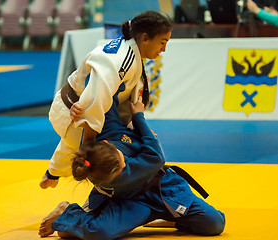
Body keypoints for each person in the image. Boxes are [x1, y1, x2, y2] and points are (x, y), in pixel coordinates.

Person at [38, 95, 226, 240]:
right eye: (122, 167)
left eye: (121, 160)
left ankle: (173, 218)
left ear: (108, 145)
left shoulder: (103, 136)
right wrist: (139, 117)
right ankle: (67, 212)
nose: (125, 164)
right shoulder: (112, 173)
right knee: (99, 232)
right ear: (112, 176)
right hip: (133, 204)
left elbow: (103, 91)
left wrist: (83, 107)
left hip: (165, 189)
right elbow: (157, 156)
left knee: (215, 223)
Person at [40, 10, 173, 189]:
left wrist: (139, 128)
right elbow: (94, 99)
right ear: (145, 38)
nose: (164, 49)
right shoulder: (119, 60)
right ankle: (92, 209)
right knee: (119, 160)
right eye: (162, 42)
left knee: (77, 140)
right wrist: (89, 150)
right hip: (76, 113)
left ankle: (52, 174)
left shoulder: (131, 52)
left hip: (84, 111)